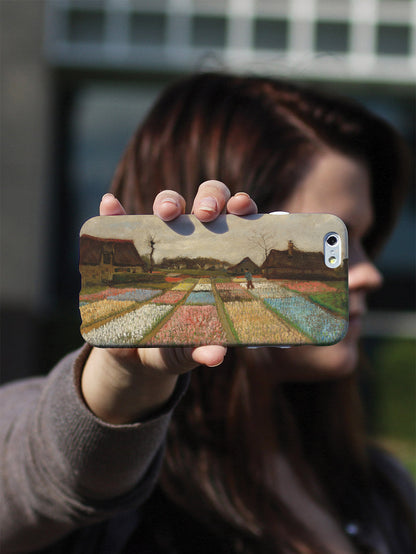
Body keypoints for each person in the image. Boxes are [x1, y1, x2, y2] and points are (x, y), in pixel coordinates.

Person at [1, 72, 414, 554]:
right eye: (333, 240)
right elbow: (43, 473)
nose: (368, 274)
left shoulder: (378, 486)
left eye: (360, 242)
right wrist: (122, 378)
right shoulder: (124, 505)